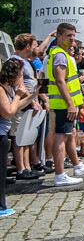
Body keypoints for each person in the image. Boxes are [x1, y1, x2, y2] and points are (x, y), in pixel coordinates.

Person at [44, 23, 84, 186]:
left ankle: (77, 165)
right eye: (69, 35)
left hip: (65, 103)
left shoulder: (61, 54)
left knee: (68, 136)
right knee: (61, 138)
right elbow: (60, 81)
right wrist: (71, 104)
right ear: (59, 36)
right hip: (63, 105)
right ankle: (60, 175)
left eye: (73, 35)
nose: (72, 38)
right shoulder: (60, 55)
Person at [1, 59, 41, 216]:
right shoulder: (1, 90)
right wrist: (17, 95)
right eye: (20, 75)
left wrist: (33, 96)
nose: (22, 78)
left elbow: (16, 106)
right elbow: (8, 112)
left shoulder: (7, 89)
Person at [8, 33, 45, 178]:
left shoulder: (24, 60)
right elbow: (19, 83)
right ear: (28, 46)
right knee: (19, 136)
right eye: (34, 45)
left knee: (26, 136)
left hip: (28, 102)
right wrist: (33, 101)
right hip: (21, 103)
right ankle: (21, 169)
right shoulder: (16, 61)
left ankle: (27, 167)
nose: (35, 49)